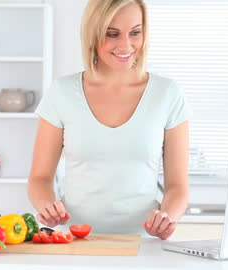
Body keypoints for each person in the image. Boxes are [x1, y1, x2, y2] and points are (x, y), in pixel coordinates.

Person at [28, 0, 191, 240]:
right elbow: (39, 178)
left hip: (144, 245)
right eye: (112, 34)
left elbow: (177, 185)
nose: (126, 45)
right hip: (73, 241)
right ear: (93, 34)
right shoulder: (62, 92)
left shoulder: (167, 93)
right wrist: (47, 205)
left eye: (135, 33)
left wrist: (167, 216)